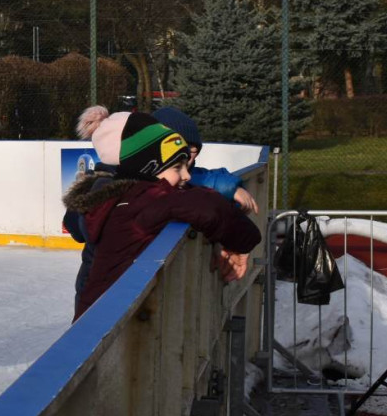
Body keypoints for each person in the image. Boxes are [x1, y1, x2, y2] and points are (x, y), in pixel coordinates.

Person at [64, 111, 261, 321]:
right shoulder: (143, 201)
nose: (187, 175)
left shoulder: (124, 195)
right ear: (149, 168)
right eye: (178, 167)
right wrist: (242, 243)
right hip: (109, 321)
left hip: (104, 312)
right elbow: (206, 206)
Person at [152, 106, 258, 214]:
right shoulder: (142, 184)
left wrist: (232, 188)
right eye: (177, 147)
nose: (186, 155)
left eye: (191, 149)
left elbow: (209, 175)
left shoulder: (192, 173)